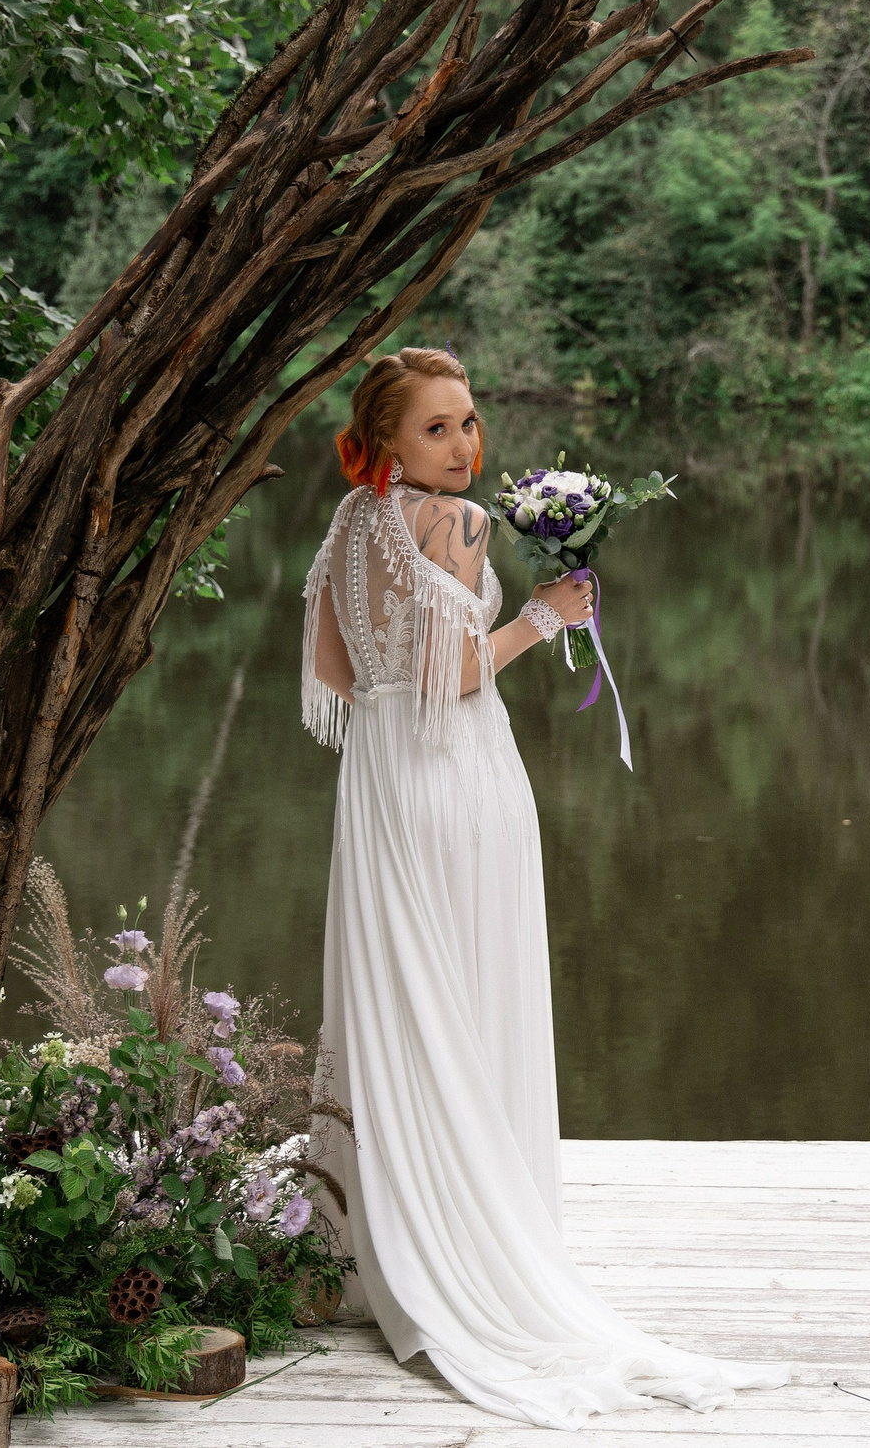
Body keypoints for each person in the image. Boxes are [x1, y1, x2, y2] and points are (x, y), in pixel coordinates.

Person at [300, 346, 787, 1427]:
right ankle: (475, 1243)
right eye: (437, 428)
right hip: (456, 774)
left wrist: (413, 677)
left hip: (379, 782)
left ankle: (371, 1241)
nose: (465, 446)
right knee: (469, 1004)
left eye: (469, 423)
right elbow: (459, 672)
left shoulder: (347, 524)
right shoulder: (458, 527)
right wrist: (547, 617)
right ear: (386, 440)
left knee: (399, 1007)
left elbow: (335, 676)